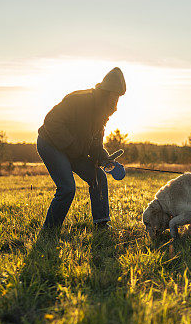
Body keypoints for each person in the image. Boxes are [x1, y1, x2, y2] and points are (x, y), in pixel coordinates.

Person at [36, 67, 126, 232]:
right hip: (50, 144)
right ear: (106, 92)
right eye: (115, 97)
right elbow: (51, 122)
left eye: (119, 98)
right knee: (67, 188)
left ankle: (101, 225)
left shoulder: (102, 112)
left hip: (73, 150)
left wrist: (104, 157)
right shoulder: (79, 100)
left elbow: (95, 143)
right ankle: (49, 232)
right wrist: (72, 146)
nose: (116, 102)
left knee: (98, 177)